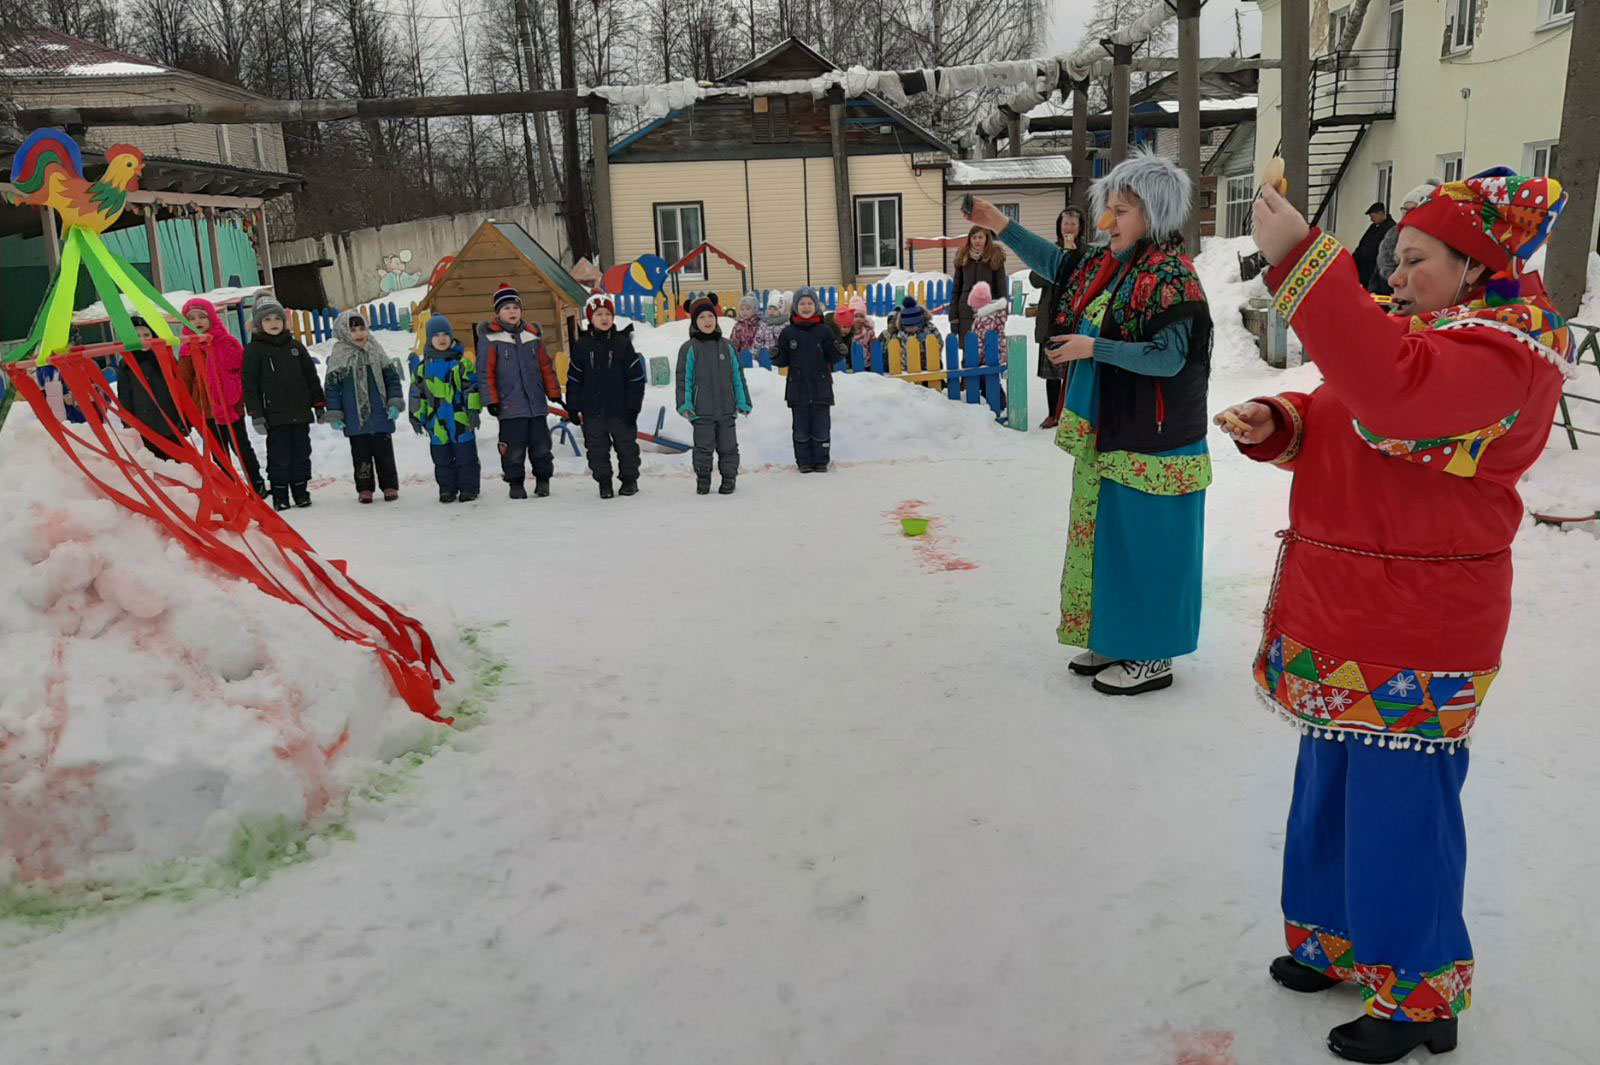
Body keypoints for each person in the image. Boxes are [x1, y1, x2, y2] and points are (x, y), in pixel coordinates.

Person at [1217, 168, 1572, 1064]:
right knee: (1330, 792)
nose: (1398, 272)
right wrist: (1283, 421)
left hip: (1418, 626)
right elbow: (1350, 413)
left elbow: (1390, 394)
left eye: (1416, 258)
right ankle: (1335, 943)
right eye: (1395, 257)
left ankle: (1418, 995)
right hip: (1348, 610)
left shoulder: (1505, 359)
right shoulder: (1431, 338)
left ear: (1475, 264)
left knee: (1400, 814)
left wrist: (1304, 257)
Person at [971, 149, 1213, 696]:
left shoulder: (1172, 276)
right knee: (1112, 541)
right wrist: (1002, 226)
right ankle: (1118, 635)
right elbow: (1060, 265)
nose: (1108, 222)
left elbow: (1167, 358)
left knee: (1150, 547)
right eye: (1108, 209)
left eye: (1121, 211)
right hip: (1114, 430)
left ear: (1154, 213)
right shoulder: (1114, 267)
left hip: (1158, 441)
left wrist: (1092, 346)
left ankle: (1154, 653)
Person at [242, 295, 327, 511]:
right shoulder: (254, 351)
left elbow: (311, 378)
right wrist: (255, 413)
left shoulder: (296, 348)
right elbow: (249, 384)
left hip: (300, 412)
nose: (273, 323)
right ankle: (280, 494)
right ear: (259, 324)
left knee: (301, 452)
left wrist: (318, 404)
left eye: (277, 318)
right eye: (267, 319)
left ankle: (300, 491)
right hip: (274, 415)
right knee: (279, 456)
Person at [479, 282, 561, 499]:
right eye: (506, 308)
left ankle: (543, 480)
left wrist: (553, 392)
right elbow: (485, 373)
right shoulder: (491, 339)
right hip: (510, 406)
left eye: (515, 307)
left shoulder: (532, 336)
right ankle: (515, 483)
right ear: (498, 313)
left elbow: (546, 366)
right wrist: (492, 400)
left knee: (541, 447)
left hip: (536, 405)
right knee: (512, 449)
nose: (512, 311)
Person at [566, 293, 646, 499]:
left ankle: (629, 480)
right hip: (593, 410)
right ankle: (604, 481)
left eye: (608, 314)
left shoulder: (622, 344)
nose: (604, 318)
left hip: (620, 409)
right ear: (590, 319)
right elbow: (574, 378)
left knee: (627, 447)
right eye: (599, 314)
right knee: (596, 449)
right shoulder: (582, 346)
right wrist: (573, 406)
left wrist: (633, 406)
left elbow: (635, 379)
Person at [182, 297, 265, 497]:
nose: (197, 321)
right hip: (206, 408)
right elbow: (185, 380)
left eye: (202, 316)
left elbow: (242, 371)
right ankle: (230, 486)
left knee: (241, 445)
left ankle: (256, 481)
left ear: (212, 317)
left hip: (231, 405)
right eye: (191, 318)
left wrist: (239, 395)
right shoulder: (187, 348)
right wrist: (189, 408)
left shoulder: (228, 343)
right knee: (218, 450)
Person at [324, 309, 404, 504]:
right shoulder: (340, 355)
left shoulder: (376, 350)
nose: (359, 334)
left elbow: (392, 378)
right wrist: (335, 413)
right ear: (343, 332)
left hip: (380, 414)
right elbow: (332, 387)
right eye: (353, 330)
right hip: (355, 417)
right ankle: (365, 487)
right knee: (361, 456)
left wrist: (394, 401)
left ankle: (389, 485)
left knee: (384, 454)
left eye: (362, 328)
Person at [675, 293, 751, 495]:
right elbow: (684, 379)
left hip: (727, 410)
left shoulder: (727, 346)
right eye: (701, 318)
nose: (707, 321)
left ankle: (728, 478)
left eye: (710, 316)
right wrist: (685, 404)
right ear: (694, 321)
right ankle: (703, 478)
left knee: (728, 448)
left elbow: (737, 376)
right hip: (702, 411)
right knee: (703, 448)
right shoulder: (689, 349)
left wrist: (743, 402)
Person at [411, 315, 482, 503]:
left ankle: (469, 488)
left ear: (451, 337)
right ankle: (447, 489)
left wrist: (473, 410)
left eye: (445, 334)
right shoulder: (423, 368)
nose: (441, 339)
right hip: (436, 421)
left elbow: (472, 388)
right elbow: (417, 394)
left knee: (466, 456)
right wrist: (417, 416)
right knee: (442, 458)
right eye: (436, 335)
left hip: (460, 419)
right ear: (429, 338)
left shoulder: (461, 363)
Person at [774, 286, 846, 472]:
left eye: (810, 303)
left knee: (821, 427)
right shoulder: (788, 333)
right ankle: (804, 461)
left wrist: (839, 351)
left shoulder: (824, 331)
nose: (806, 307)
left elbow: (833, 356)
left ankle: (821, 461)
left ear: (816, 306)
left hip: (821, 387)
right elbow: (783, 360)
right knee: (800, 428)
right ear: (796, 307)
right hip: (797, 388)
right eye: (802, 303)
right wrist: (776, 355)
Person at [1032, 207, 1089, 429]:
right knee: (1052, 371)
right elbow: (1035, 279)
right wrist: (1056, 263)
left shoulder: (1087, 252)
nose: (1069, 228)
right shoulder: (1050, 251)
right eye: (1065, 224)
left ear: (1080, 228)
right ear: (1059, 226)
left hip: (1076, 318)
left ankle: (1074, 416)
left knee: (1076, 372)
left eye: (1073, 224)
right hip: (1051, 318)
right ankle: (1053, 414)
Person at [118, 316, 194, 461]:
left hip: (171, 424)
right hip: (144, 427)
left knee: (182, 466)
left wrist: (185, 420)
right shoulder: (126, 363)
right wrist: (128, 423)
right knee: (156, 468)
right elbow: (125, 395)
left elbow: (181, 391)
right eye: (137, 335)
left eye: (146, 335)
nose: (142, 339)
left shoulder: (165, 358)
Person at [1372, 180, 1441, 295]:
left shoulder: (1434, 239)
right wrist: (1373, 291)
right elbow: (1378, 267)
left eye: (1411, 210)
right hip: (1387, 297)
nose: (1406, 214)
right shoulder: (1393, 234)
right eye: (1404, 209)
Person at [1352, 201, 1396, 292]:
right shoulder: (1373, 227)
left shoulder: (1391, 228)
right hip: (1364, 269)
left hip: (1376, 270)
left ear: (1380, 213)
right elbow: (1363, 244)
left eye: (1372, 217)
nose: (1371, 220)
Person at [753, 291, 789, 357]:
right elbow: (758, 339)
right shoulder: (764, 323)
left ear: (782, 310)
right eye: (770, 308)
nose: (772, 311)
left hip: (779, 355)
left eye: (775, 309)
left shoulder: (784, 324)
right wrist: (756, 352)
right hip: (765, 354)